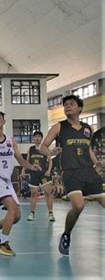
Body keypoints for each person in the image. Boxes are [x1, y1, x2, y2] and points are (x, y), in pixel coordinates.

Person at [40, 95, 104, 256]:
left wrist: (97, 162)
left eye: (71, 104)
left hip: (89, 172)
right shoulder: (59, 127)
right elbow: (43, 147)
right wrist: (52, 152)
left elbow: (88, 148)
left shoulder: (87, 128)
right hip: (70, 173)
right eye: (65, 104)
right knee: (78, 205)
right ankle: (66, 234)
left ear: (79, 108)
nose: (67, 106)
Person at [0, 109, 40, 256]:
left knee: (16, 216)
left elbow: (19, 159)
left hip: (7, 181)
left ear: (4, 121)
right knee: (12, 209)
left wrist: (31, 166)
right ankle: (3, 242)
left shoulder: (10, 140)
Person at [20, 131, 55, 221]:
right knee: (33, 193)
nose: (37, 138)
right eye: (35, 136)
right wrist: (23, 169)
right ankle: (32, 213)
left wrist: (48, 171)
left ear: (42, 138)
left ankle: (50, 213)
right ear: (33, 138)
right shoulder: (31, 149)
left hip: (44, 174)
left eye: (39, 136)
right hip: (34, 173)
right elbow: (27, 161)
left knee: (48, 192)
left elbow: (50, 161)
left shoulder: (44, 148)